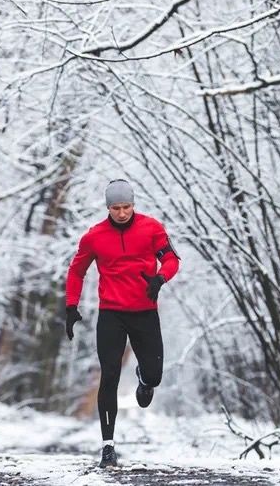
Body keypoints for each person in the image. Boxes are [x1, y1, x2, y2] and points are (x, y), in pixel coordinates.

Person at [64, 179, 180, 468]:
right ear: (108, 208)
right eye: (116, 208)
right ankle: (108, 447)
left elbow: (172, 260)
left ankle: (145, 378)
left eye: (126, 206)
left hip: (144, 312)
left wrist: (160, 278)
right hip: (111, 314)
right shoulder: (94, 237)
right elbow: (77, 271)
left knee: (154, 376)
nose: (122, 213)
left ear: (133, 204)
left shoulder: (152, 228)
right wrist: (70, 305)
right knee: (110, 375)